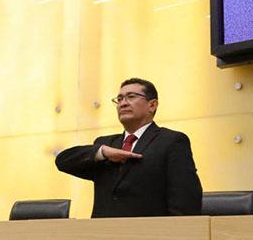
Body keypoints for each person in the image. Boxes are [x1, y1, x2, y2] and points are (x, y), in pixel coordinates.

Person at [56, 77, 202, 217]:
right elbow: (63, 161)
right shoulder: (105, 144)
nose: (123, 103)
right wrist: (102, 152)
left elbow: (186, 199)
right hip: (103, 236)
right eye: (119, 99)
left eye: (131, 97)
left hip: (150, 236)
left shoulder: (171, 141)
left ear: (152, 105)